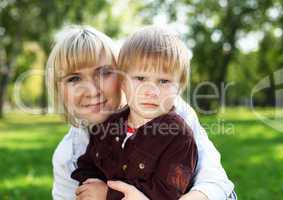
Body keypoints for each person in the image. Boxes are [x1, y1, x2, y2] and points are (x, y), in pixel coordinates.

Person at [46, 25, 235, 200]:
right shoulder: (68, 155)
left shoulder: (173, 113)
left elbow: (215, 183)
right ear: (58, 89)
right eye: (74, 78)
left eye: (104, 73)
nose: (92, 90)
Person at [71, 26, 199, 200]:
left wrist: (108, 195)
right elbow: (87, 165)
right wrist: (88, 186)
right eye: (140, 78)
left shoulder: (179, 137)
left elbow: (167, 193)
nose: (151, 90)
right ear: (123, 82)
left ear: (180, 86)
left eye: (164, 81)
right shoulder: (107, 127)